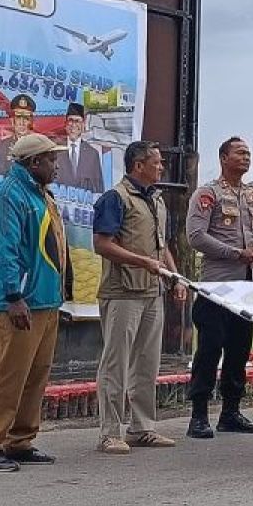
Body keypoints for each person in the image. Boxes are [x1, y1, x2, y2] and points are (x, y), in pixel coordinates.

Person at [0, 134, 71, 472]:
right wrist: (13, 296)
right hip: (18, 303)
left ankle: (19, 441)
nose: (56, 167)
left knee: (35, 376)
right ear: (34, 162)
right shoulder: (7, 195)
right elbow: (4, 250)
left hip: (44, 301)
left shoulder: (40, 194)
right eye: (51, 160)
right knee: (8, 376)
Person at [91, 140, 184, 454]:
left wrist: (175, 277)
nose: (161, 167)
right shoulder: (115, 198)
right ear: (138, 165)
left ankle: (142, 427)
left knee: (147, 362)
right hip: (122, 292)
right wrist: (142, 262)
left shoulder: (156, 199)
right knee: (116, 363)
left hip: (152, 290)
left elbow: (162, 245)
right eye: (156, 162)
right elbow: (102, 244)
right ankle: (109, 432)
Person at [184, 137, 253, 438]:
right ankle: (198, 415)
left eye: (249, 153)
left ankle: (230, 412)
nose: (246, 157)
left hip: (247, 287)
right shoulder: (208, 193)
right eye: (240, 153)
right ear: (223, 157)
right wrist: (235, 253)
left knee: (239, 350)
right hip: (217, 286)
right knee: (209, 350)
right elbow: (196, 236)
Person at [55, 102, 104, 193]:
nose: (73, 125)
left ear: (83, 125)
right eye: (70, 120)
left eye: (77, 121)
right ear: (65, 124)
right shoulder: (55, 150)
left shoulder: (92, 154)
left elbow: (99, 189)